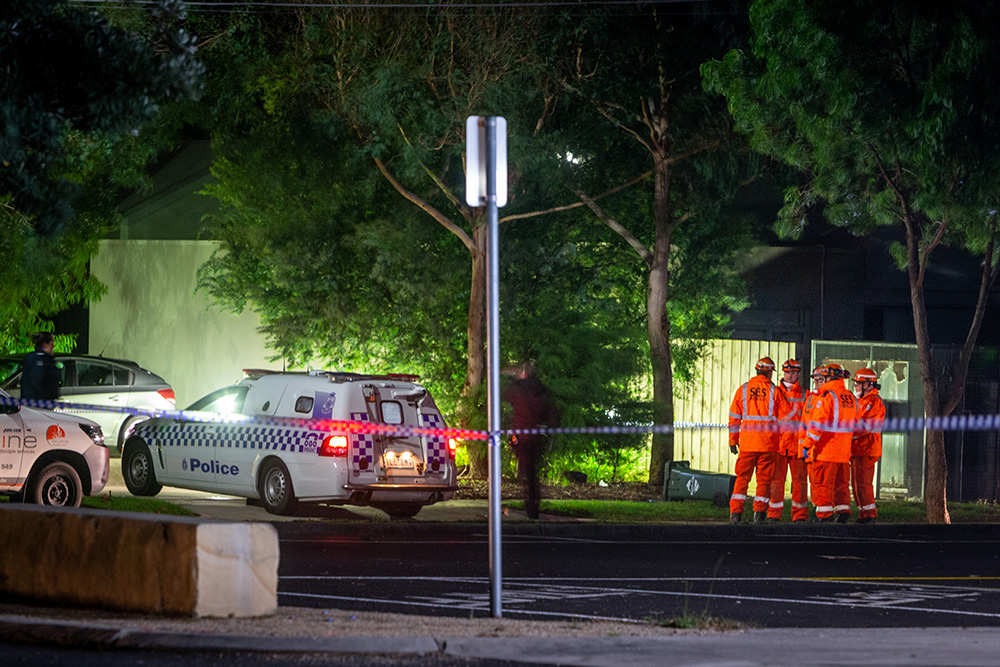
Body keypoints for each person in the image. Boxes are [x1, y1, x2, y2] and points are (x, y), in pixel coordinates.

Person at [727, 357, 792, 524]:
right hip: (768, 445)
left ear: (757, 370)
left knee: (742, 479)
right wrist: (782, 443)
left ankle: (736, 514)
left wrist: (733, 441)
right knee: (764, 480)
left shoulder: (743, 389)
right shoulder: (774, 391)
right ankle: (760, 515)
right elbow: (785, 420)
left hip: (748, 444)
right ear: (769, 372)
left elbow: (734, 418)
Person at [502, 361, 559, 520]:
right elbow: (551, 412)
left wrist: (511, 377)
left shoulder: (519, 391)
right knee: (532, 473)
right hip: (536, 437)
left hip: (522, 437)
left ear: (524, 374)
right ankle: (533, 505)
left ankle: (530, 506)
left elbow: (501, 394)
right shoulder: (541, 391)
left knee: (527, 473)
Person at [802, 365, 857, 522]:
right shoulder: (851, 397)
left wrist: (806, 445)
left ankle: (824, 515)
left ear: (828, 378)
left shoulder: (827, 397)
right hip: (844, 452)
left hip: (826, 451)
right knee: (841, 484)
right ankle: (843, 511)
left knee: (823, 484)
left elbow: (817, 426)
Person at [768, 359, 808, 523]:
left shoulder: (805, 394)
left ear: (798, 374)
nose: (790, 375)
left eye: (793, 372)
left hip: (798, 445)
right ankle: (773, 514)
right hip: (779, 444)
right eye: (787, 372)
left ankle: (799, 515)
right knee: (776, 481)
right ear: (783, 373)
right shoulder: (775, 392)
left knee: (799, 482)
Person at [852, 368, 885, 524]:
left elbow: (864, 427)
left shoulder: (874, 402)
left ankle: (870, 515)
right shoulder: (862, 401)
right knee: (857, 484)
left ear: (868, 384)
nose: (856, 386)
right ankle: (863, 514)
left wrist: (846, 433)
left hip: (867, 449)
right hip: (858, 449)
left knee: (863, 484)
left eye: (858, 383)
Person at [21, 331, 59, 401]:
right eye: (51, 344)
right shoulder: (47, 360)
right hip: (42, 403)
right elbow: (41, 381)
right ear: (45, 345)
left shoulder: (29, 357)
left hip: (28, 402)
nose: (53, 347)